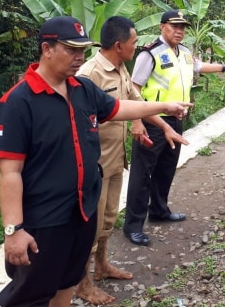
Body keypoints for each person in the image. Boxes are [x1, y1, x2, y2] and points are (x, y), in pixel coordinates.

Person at [0, 15, 190, 307]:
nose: (79, 57)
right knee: (30, 295)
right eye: (71, 49)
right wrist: (13, 230)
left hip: (81, 211)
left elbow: (120, 107)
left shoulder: (81, 89)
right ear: (47, 49)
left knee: (66, 283)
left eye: (82, 50)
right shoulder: (18, 102)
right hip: (43, 220)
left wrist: (164, 107)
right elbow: (9, 172)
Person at [122, 10, 225, 246]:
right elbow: (132, 88)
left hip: (175, 120)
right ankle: (133, 225)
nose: (180, 31)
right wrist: (135, 121)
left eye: (183, 27)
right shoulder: (150, 54)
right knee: (142, 175)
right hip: (152, 121)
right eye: (174, 26)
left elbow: (198, 67)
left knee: (166, 170)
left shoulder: (184, 52)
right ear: (162, 27)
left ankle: (159, 211)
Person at [73, 16, 145, 304]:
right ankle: (82, 283)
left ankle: (102, 266)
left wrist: (153, 123)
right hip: (94, 167)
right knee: (88, 227)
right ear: (119, 45)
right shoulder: (89, 74)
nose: (136, 46)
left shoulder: (120, 67)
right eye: (134, 42)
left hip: (116, 160)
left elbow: (134, 100)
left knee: (108, 218)